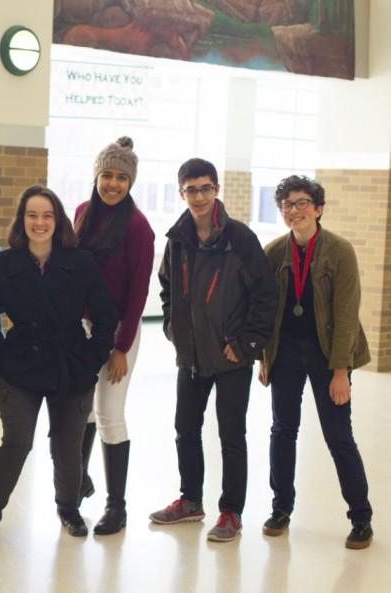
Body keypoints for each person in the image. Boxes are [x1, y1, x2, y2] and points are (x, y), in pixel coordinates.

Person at [0, 185, 117, 549]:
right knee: (16, 442)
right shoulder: (5, 264)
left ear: (58, 220)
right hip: (20, 364)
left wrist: (92, 359)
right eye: (32, 215)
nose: (40, 222)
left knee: (68, 447)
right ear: (22, 220)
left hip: (71, 364)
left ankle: (69, 509)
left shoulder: (80, 262)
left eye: (47, 215)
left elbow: (106, 316)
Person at [150, 158, 277, 543]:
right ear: (182, 192)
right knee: (185, 428)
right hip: (190, 356)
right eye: (191, 189)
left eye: (206, 188)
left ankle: (231, 512)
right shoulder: (177, 239)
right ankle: (190, 501)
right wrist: (175, 328)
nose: (200, 196)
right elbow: (167, 288)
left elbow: (265, 296)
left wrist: (247, 345)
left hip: (231, 357)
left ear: (216, 190)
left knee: (231, 434)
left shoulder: (240, 238)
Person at [258, 175, 373, 549]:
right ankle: (281, 508)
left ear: (318, 208)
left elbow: (345, 315)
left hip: (328, 356)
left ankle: (360, 517)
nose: (295, 211)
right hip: (287, 353)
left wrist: (341, 372)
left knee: (339, 437)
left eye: (302, 203)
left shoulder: (339, 251)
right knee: (282, 431)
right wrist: (265, 357)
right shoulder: (275, 252)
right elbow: (266, 311)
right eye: (287, 205)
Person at [73, 137, 154, 535]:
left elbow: (139, 292)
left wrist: (121, 347)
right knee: (83, 408)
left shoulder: (138, 227)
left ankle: (116, 507)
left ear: (131, 182)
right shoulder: (82, 213)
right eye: (107, 174)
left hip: (120, 330)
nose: (113, 184)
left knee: (108, 413)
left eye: (122, 177)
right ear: (96, 175)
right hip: (85, 327)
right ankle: (76, 485)